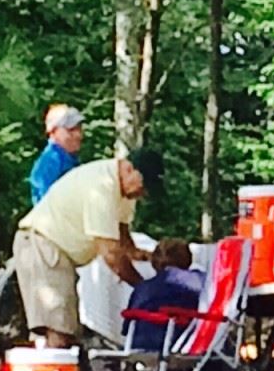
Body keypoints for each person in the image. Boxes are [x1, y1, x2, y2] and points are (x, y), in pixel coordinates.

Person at [13, 148, 165, 349]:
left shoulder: (124, 193)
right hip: (43, 245)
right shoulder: (102, 188)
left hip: (57, 251)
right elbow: (110, 253)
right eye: (144, 186)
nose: (143, 194)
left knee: (68, 329)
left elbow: (121, 228)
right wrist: (144, 287)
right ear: (129, 169)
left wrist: (135, 253)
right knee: (58, 329)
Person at [125, 238, 205, 351]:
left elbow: (126, 327)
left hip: (139, 344)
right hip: (179, 344)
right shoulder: (198, 281)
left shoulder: (142, 288)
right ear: (188, 259)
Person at [29, 104, 85, 205]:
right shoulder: (48, 163)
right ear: (53, 131)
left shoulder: (71, 160)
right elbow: (47, 207)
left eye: (79, 128)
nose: (78, 135)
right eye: (71, 129)